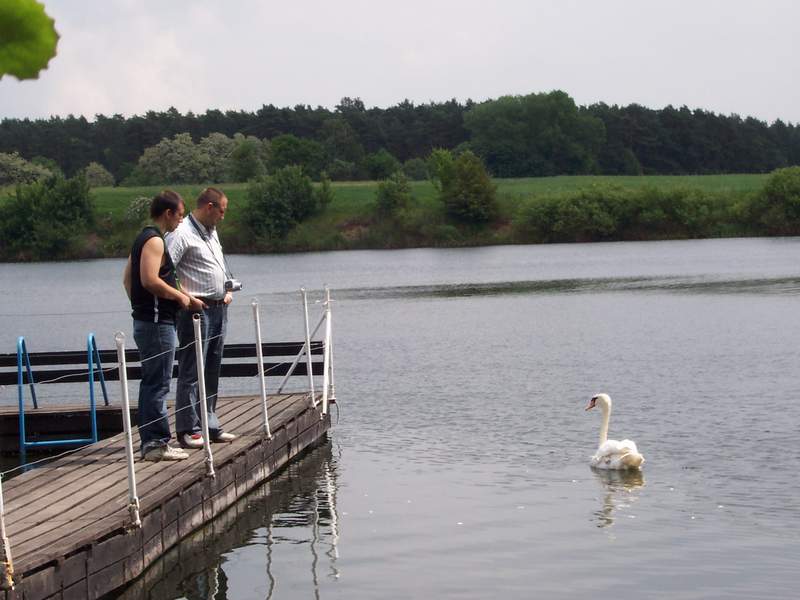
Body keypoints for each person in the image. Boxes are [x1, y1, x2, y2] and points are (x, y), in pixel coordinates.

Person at [123, 190, 205, 462]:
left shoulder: (141, 238)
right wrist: (181, 297)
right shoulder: (155, 240)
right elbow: (148, 280)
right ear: (167, 213)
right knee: (157, 384)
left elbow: (127, 280)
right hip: (157, 324)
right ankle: (156, 443)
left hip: (149, 320)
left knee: (151, 382)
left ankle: (151, 442)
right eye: (180, 215)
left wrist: (143, 308)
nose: (181, 221)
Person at [166, 187, 238, 449]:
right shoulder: (181, 233)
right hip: (195, 310)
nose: (223, 216)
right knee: (192, 369)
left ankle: (210, 423)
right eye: (222, 210)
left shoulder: (211, 231)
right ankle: (188, 429)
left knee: (212, 367)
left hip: (220, 307)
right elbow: (166, 271)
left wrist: (226, 290)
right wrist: (186, 297)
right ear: (209, 207)